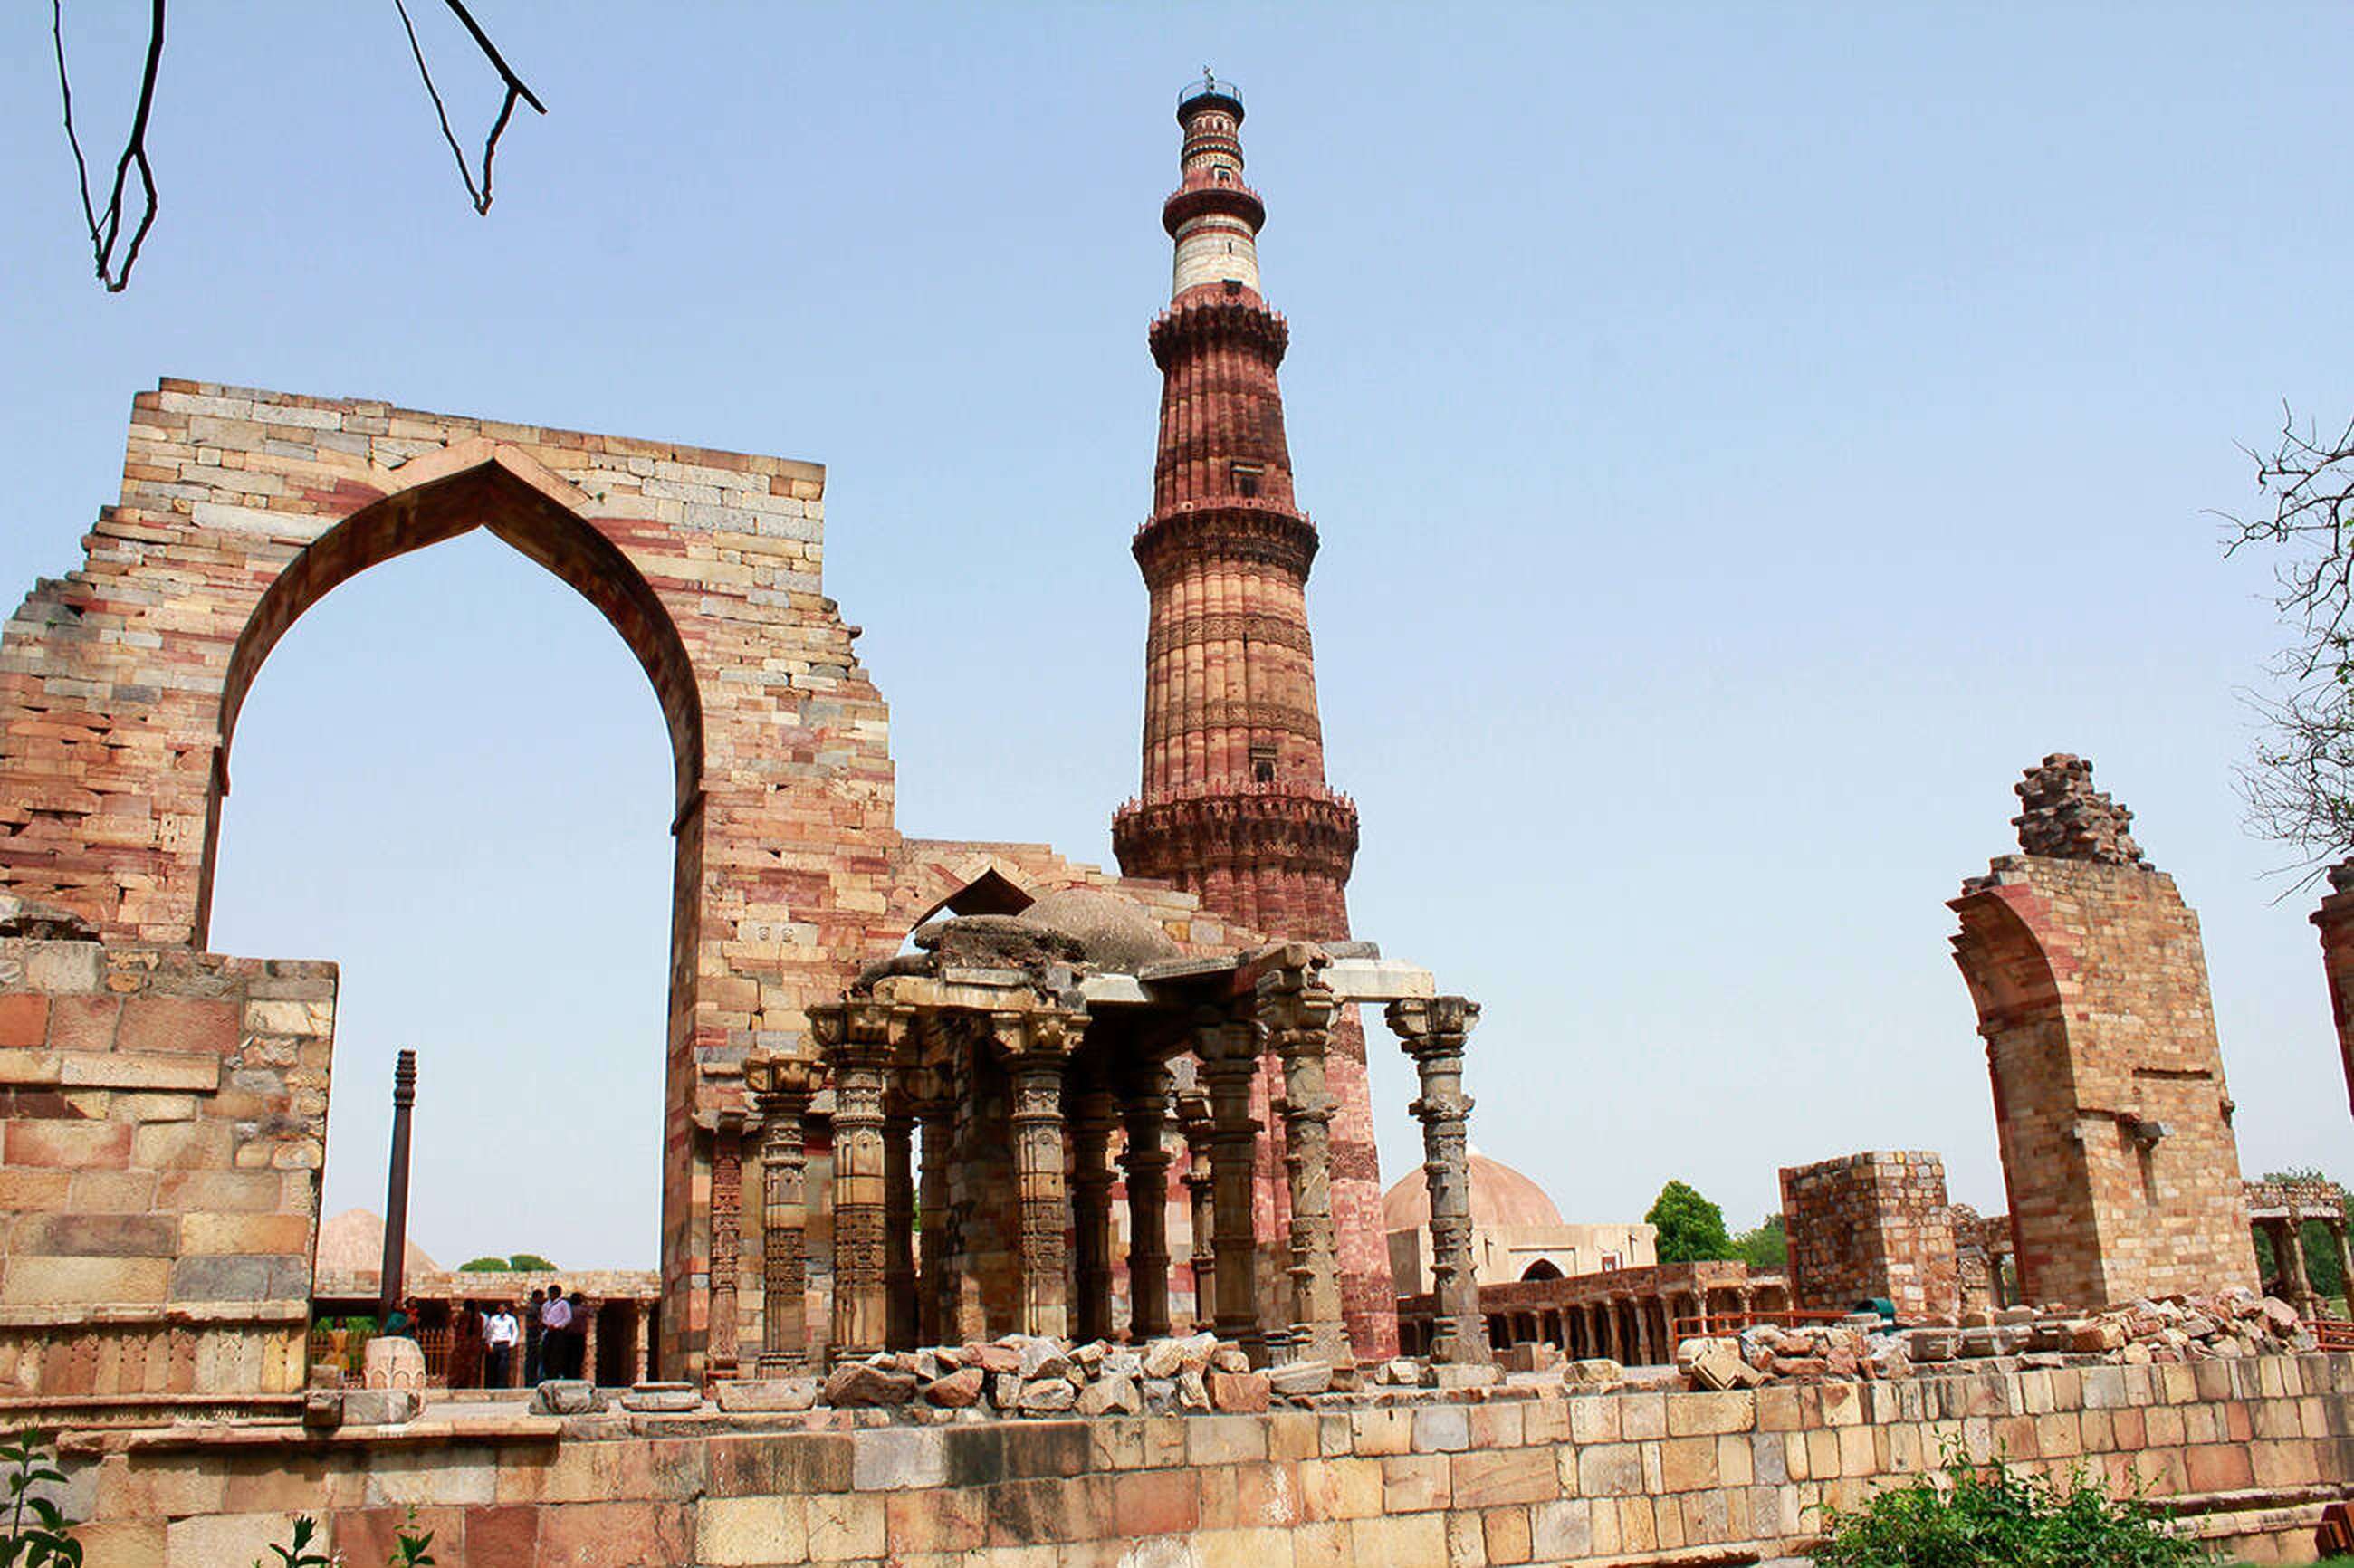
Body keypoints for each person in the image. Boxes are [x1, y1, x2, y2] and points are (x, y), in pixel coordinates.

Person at [484, 1300, 520, 1388]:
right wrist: (490, 1344)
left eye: (503, 1308)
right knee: (493, 1364)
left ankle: (502, 1384)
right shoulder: (493, 1319)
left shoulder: (511, 1319)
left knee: (503, 1364)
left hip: (505, 1343)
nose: (502, 1310)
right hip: (496, 1343)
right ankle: (492, 1384)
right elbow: (490, 1332)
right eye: (500, 1308)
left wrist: (512, 1343)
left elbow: (515, 1331)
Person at [541, 1286, 573, 1380]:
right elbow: (544, 1317)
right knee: (546, 1352)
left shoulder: (563, 1304)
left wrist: (557, 1325)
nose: (551, 1295)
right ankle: (548, 1374)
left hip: (559, 1331)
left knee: (557, 1353)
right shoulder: (546, 1305)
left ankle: (557, 1373)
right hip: (548, 1330)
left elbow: (568, 1317)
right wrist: (547, 1324)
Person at [522, 1286, 545, 1384]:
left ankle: (531, 1380)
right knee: (533, 1361)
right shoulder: (534, 1308)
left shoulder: (531, 1307)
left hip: (532, 1337)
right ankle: (532, 1381)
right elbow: (533, 1323)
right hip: (533, 1337)